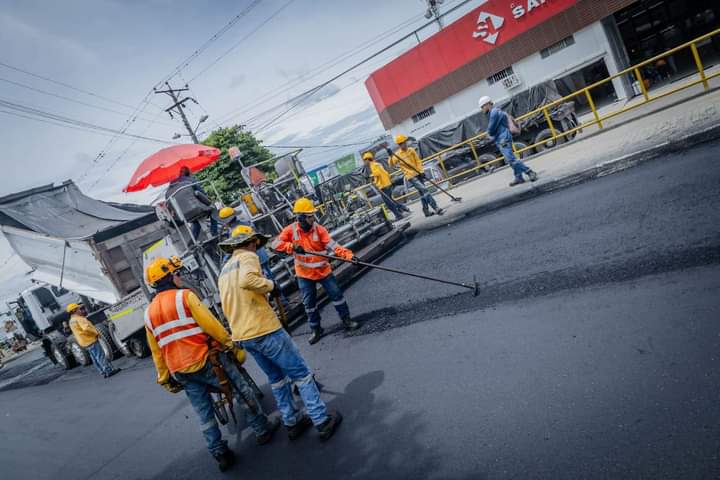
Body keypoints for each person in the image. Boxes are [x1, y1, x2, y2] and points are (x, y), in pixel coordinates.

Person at [144, 256, 280, 472]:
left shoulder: (148, 313)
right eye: (177, 273)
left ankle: (219, 453)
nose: (180, 277)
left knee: (204, 414)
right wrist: (231, 345)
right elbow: (211, 325)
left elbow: (156, 351)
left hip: (180, 371)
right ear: (169, 277)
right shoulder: (184, 297)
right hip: (208, 360)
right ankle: (262, 429)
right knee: (241, 391)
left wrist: (164, 378)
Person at [218, 225, 343, 442]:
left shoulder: (225, 269)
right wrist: (271, 285)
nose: (257, 248)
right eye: (255, 244)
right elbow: (248, 281)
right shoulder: (247, 256)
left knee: (276, 378)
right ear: (251, 242)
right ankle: (321, 420)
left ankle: (291, 421)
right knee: (301, 374)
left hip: (244, 335)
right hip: (263, 329)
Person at [271, 198, 359, 345]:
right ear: (301, 217)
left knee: (337, 296)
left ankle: (347, 320)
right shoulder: (291, 230)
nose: (313, 218)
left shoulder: (319, 229)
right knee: (309, 303)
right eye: (310, 215)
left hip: (323, 271)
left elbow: (334, 246)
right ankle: (316, 329)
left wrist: (350, 256)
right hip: (304, 274)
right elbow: (275, 244)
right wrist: (291, 247)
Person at [218, 207, 290, 310]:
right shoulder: (246, 223)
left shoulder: (235, 231)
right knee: (270, 280)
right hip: (261, 255)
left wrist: (225, 261)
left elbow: (236, 246)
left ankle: (282, 304)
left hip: (253, 258)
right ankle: (283, 302)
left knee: (265, 282)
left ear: (227, 221)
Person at [478, 96, 538, 187]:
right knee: (510, 160)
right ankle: (518, 177)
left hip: (503, 138)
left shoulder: (494, 112)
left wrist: (488, 134)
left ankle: (529, 172)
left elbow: (491, 130)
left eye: (482, 107)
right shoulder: (496, 111)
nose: (482, 109)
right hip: (502, 137)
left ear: (486, 104)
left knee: (510, 159)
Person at [387, 135, 444, 217]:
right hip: (410, 176)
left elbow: (418, 161)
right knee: (424, 190)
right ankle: (436, 208)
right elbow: (391, 164)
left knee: (422, 193)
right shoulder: (397, 155)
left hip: (418, 173)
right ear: (399, 145)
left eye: (404, 143)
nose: (404, 145)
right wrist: (390, 156)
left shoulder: (411, 150)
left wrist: (421, 171)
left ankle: (426, 211)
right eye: (401, 144)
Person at [66, 303, 120, 379]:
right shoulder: (79, 319)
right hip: (90, 340)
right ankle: (109, 370)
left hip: (84, 342)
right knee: (100, 356)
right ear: (74, 310)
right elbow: (86, 328)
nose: (80, 310)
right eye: (79, 309)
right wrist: (96, 333)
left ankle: (102, 372)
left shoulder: (71, 321)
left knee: (95, 358)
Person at [166, 166, 218, 238]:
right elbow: (201, 193)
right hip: (197, 209)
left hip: (184, 216)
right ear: (186, 172)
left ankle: (193, 242)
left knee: (196, 221)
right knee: (213, 209)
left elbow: (169, 207)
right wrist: (209, 200)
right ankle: (214, 232)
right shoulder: (189, 180)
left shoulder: (168, 192)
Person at [362, 151, 410, 221]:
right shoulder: (377, 164)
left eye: (364, 160)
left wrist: (370, 176)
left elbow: (377, 173)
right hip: (387, 184)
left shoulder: (373, 165)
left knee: (389, 203)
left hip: (384, 186)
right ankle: (403, 209)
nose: (364, 162)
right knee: (390, 201)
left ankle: (399, 214)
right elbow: (385, 173)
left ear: (367, 159)